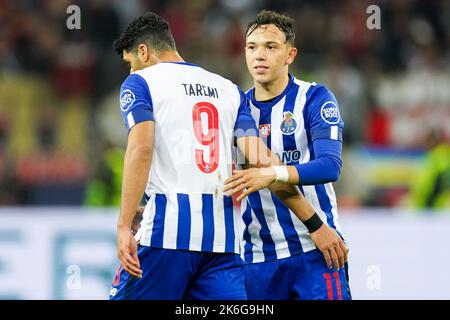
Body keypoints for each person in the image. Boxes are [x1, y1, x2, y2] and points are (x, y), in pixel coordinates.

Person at [108, 12, 345, 300]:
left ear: (143, 52)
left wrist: (123, 225)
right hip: (229, 246)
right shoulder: (229, 92)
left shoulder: (141, 82)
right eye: (252, 47)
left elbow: (141, 147)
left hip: (167, 235)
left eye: (130, 63)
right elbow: (263, 161)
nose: (260, 55)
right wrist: (315, 223)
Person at [224, 10, 351, 300]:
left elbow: (330, 166)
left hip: (316, 248)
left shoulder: (315, 98)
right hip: (259, 257)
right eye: (252, 47)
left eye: (271, 47)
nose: (259, 55)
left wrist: (273, 173)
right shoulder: (234, 109)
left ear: (290, 54)